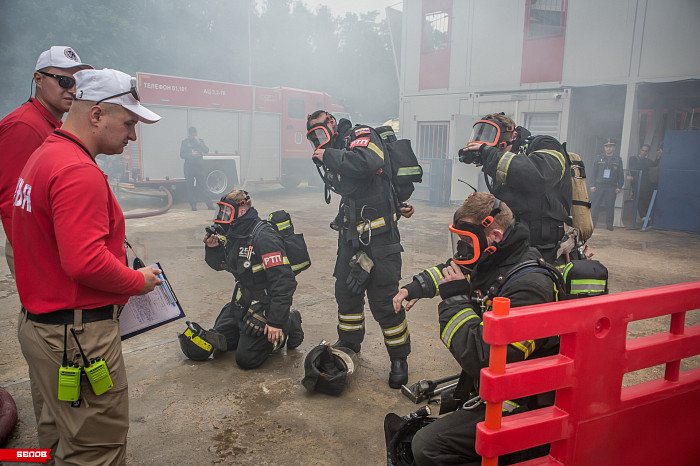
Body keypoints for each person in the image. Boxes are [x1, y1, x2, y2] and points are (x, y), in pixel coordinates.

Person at [12, 68, 163, 464]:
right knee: (97, 449)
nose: (133, 136)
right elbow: (84, 261)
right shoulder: (78, 171)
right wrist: (136, 281)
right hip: (76, 338)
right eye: (129, 122)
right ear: (96, 115)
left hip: (43, 327)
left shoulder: (46, 154)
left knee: (57, 434)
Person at [393, 192, 560, 465]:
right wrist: (415, 287)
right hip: (500, 390)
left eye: (466, 241)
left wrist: (455, 303)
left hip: (525, 405)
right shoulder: (495, 260)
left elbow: (484, 361)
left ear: (494, 235)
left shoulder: (530, 288)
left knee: (426, 446)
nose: (461, 248)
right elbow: (457, 271)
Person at [307, 110, 415, 388]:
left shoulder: (361, 134)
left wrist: (327, 156)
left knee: (385, 303)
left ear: (331, 122)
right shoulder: (338, 150)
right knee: (346, 294)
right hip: (350, 241)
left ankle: (399, 359)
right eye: (313, 137)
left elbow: (369, 161)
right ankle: (350, 343)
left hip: (380, 241)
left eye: (320, 130)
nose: (319, 140)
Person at [178, 189, 304, 369]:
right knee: (220, 342)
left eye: (227, 211)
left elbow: (285, 281)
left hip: (265, 303)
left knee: (246, 360)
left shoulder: (264, 237)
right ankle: (246, 329)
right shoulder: (234, 232)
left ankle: (289, 322)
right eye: (221, 210)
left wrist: (275, 321)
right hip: (242, 300)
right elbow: (221, 265)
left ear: (242, 208)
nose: (223, 215)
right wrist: (213, 248)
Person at [0, 46, 91, 277]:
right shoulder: (24, 126)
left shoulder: (53, 124)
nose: (72, 90)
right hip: (36, 248)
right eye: (63, 81)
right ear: (38, 80)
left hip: (50, 243)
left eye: (76, 83)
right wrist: (37, 260)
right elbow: (15, 202)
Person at [460, 113, 573, 264]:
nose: (486, 145)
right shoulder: (501, 162)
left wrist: (489, 154)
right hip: (515, 243)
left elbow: (539, 177)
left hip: (547, 249)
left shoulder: (545, 144)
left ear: (513, 135)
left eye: (491, 137)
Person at [590, 138, 624, 231]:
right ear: (604, 148)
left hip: (611, 186)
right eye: (606, 147)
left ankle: (609, 224)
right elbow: (593, 173)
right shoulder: (598, 159)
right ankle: (593, 223)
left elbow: (620, 174)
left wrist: (619, 186)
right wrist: (592, 185)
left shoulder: (618, 160)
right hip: (599, 185)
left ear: (614, 148)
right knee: (595, 205)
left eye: (610, 147)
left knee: (610, 205)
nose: (608, 149)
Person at [180, 126, 214, 211]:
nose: (194, 135)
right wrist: (191, 155)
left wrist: (198, 142)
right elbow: (182, 154)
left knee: (203, 186)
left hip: (199, 167)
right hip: (189, 167)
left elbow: (206, 150)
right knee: (190, 186)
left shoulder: (200, 141)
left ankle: (209, 204)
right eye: (192, 134)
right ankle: (193, 205)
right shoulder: (185, 142)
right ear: (189, 134)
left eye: (195, 134)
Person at [637, 143, 663, 220]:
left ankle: (645, 216)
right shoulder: (634, 158)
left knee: (646, 198)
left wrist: (658, 156)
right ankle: (643, 216)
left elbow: (654, 164)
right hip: (636, 182)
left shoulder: (647, 161)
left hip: (644, 183)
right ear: (640, 150)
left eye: (646, 151)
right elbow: (633, 168)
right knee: (639, 199)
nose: (644, 152)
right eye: (643, 150)